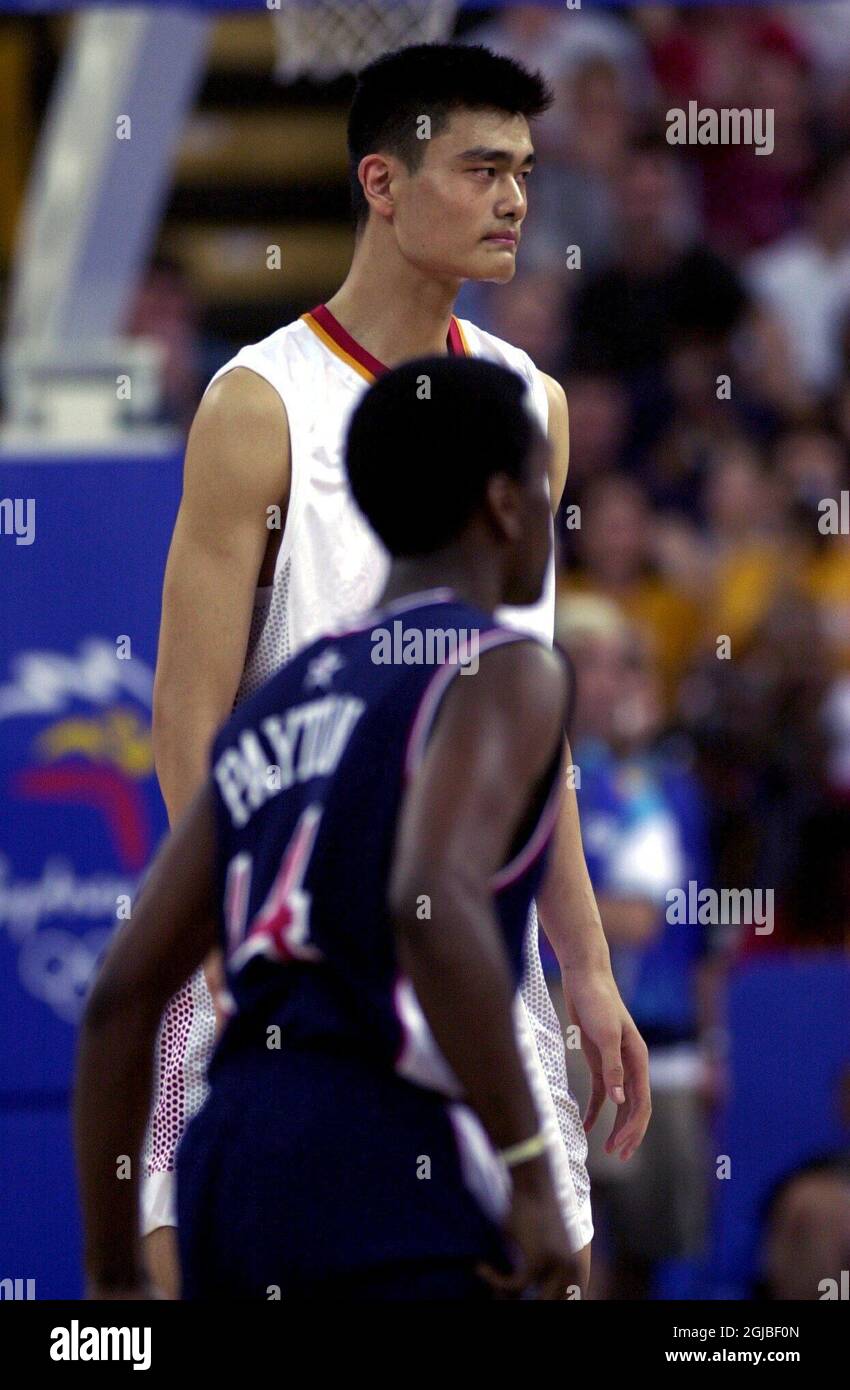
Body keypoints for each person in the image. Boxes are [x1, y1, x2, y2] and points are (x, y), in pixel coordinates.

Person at [147, 41, 650, 1296]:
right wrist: (225, 950)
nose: (515, 199)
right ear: (382, 180)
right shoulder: (257, 403)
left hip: (477, 954)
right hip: (287, 943)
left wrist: (583, 961)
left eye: (524, 171)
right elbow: (187, 718)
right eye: (481, 168)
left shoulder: (530, 403)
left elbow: (535, 728)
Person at [76, 357, 580, 1300]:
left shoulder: (278, 702)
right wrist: (528, 1166)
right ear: (509, 505)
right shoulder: (500, 668)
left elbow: (119, 999)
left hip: (232, 1157)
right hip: (383, 1153)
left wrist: (111, 1274)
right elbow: (430, 905)